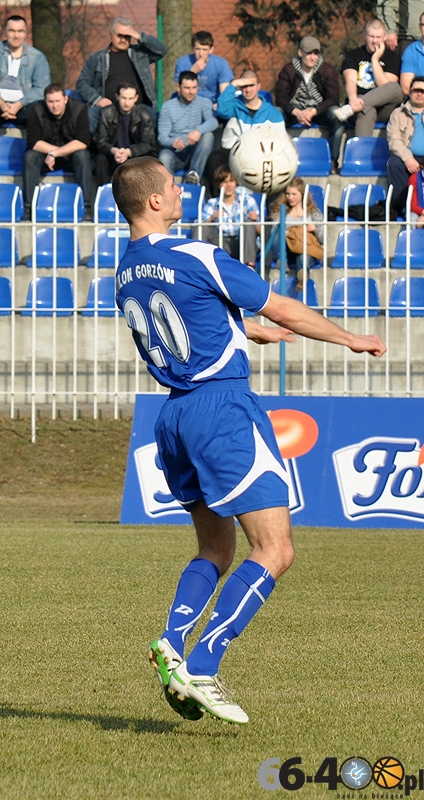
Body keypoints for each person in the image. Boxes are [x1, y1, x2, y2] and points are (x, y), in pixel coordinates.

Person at [111, 156, 386, 725]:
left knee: (215, 549)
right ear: (155, 200)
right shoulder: (194, 253)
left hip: (174, 414)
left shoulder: (126, 270)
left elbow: (182, 315)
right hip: (223, 410)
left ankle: (172, 643)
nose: (180, 190)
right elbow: (283, 305)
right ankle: (203, 665)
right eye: (173, 184)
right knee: (275, 550)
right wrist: (350, 338)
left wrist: (244, 330)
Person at [76, 16, 167, 133]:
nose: (123, 39)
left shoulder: (140, 54)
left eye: (127, 36)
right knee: (88, 117)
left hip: (139, 107)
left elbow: (161, 50)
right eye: (120, 35)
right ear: (111, 35)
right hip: (108, 108)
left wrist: (138, 35)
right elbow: (82, 83)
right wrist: (98, 100)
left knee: (158, 120)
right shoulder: (96, 59)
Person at [207, 70, 285, 192]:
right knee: (214, 158)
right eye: (244, 86)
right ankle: (219, 200)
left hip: (260, 155)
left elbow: (281, 142)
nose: (248, 90)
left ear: (258, 86)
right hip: (232, 152)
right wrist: (234, 84)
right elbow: (221, 109)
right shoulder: (234, 106)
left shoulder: (273, 113)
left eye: (251, 85)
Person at [23, 83, 92, 219]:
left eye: (58, 101)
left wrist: (55, 153)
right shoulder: (36, 110)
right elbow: (33, 142)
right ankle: (29, 207)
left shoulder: (79, 109)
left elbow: (82, 142)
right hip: (45, 157)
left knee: (82, 156)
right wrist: (54, 152)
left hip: (71, 157)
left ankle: (85, 206)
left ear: (65, 99)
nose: (55, 106)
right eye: (50, 102)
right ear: (45, 101)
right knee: (30, 156)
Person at [274, 35, 343, 170]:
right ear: (300, 53)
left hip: (320, 110)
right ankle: (278, 158)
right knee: (276, 113)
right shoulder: (288, 71)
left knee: (337, 115)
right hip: (294, 111)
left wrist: (314, 111)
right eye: (309, 53)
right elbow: (281, 99)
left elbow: (333, 98)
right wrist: (296, 112)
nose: (313, 57)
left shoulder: (327, 71)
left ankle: (333, 161)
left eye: (316, 53)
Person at [335, 18, 403, 136]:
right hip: (358, 104)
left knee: (395, 88)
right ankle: (362, 149)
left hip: (384, 108)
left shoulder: (392, 57)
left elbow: (385, 86)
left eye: (378, 37)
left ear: (384, 37)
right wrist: (353, 99)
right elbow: (350, 80)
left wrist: (375, 59)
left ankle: (351, 108)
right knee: (367, 110)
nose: (374, 41)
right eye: (371, 36)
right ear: (365, 36)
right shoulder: (353, 55)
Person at [158, 71, 218, 184]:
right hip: (175, 152)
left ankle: (193, 176)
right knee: (164, 156)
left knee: (208, 136)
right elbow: (162, 137)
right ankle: (168, 185)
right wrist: (172, 142)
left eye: (194, 88)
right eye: (187, 88)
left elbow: (213, 121)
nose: (191, 92)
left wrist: (198, 131)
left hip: (196, 151)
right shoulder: (167, 107)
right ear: (178, 87)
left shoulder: (204, 102)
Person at [93, 81, 157, 185]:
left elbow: (149, 144)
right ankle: (103, 190)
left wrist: (129, 152)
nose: (127, 103)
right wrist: (113, 150)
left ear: (136, 98)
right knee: (100, 159)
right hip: (113, 155)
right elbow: (100, 141)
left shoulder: (144, 115)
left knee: (145, 159)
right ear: (117, 96)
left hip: (134, 155)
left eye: (130, 99)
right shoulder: (106, 113)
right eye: (124, 98)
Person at [270, 178, 324, 292]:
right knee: (277, 232)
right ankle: (281, 260)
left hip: (305, 247)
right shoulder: (282, 211)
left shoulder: (313, 212)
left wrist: (315, 229)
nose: (290, 197)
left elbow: (323, 237)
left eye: (294, 194)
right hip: (286, 248)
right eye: (288, 194)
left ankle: (302, 276)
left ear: (302, 194)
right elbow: (274, 234)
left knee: (303, 257)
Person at [201, 165, 260, 266]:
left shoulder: (247, 200)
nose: (228, 185)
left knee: (248, 222)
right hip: (220, 243)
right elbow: (200, 228)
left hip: (241, 243)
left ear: (236, 182)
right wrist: (211, 218)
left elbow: (262, 232)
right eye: (224, 182)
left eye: (231, 181)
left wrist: (255, 221)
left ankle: (249, 265)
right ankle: (199, 264)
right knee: (202, 227)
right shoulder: (212, 203)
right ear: (219, 184)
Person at [0, 15, 50, 127]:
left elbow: (42, 88)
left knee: (40, 110)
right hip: (1, 102)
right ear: (5, 32)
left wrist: (19, 104)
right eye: (12, 31)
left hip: (25, 105)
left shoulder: (37, 57)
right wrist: (2, 104)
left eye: (20, 31)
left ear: (26, 33)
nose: (16, 35)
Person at [386, 74, 424, 214]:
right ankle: (403, 207)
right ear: (410, 92)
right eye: (416, 90)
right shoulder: (398, 113)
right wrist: (408, 158)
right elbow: (394, 140)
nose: (419, 94)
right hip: (407, 156)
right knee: (394, 163)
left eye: (423, 91)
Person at [173, 30, 234, 107]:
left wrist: (219, 105)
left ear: (211, 50)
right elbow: (180, 91)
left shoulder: (220, 63)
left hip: (213, 103)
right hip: (189, 103)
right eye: (197, 49)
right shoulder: (182, 62)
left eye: (205, 50)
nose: (201, 54)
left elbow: (224, 93)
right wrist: (191, 73)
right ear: (192, 49)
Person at [400, 12, 424, 94]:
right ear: (419, 27)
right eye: (423, 25)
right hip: (418, 98)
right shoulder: (411, 51)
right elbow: (406, 88)